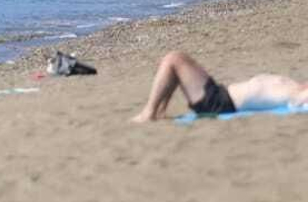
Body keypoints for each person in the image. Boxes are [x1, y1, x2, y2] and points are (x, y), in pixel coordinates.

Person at [130, 51, 308, 122]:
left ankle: (149, 112)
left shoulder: (297, 94)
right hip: (220, 95)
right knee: (174, 62)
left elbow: (298, 103)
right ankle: (158, 111)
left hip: (219, 103)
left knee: (173, 59)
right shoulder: (295, 85)